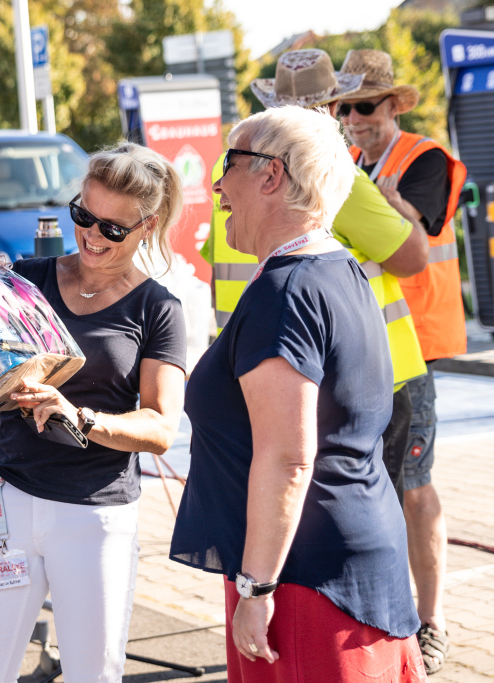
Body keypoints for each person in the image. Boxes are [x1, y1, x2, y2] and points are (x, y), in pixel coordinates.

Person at [0, 142, 188, 682]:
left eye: (112, 228)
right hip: (11, 504)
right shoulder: (26, 279)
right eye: (83, 216)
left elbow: (162, 426)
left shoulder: (157, 308)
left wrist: (79, 416)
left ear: (148, 226)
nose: (92, 236)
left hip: (95, 518)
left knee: (93, 676)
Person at [171, 106, 426, 681]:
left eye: (229, 164)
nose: (217, 186)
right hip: (337, 564)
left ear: (271, 175)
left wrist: (257, 588)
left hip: (304, 581)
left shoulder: (285, 293)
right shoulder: (336, 268)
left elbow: (289, 458)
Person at [205, 49, 431, 501]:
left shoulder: (228, 168)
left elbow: (216, 262)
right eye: (344, 108)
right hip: (355, 377)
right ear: (331, 109)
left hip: (250, 363)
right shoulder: (328, 170)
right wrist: (402, 210)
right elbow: (413, 257)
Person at [337, 48, 468, 674]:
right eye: (344, 108)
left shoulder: (425, 158)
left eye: (364, 106)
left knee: (413, 486)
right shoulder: (353, 166)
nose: (353, 119)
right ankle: (388, 620)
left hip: (415, 346)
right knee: (379, 487)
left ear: (393, 104)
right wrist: (383, 202)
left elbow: (410, 233)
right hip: (367, 348)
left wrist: (388, 204)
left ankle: (432, 622)